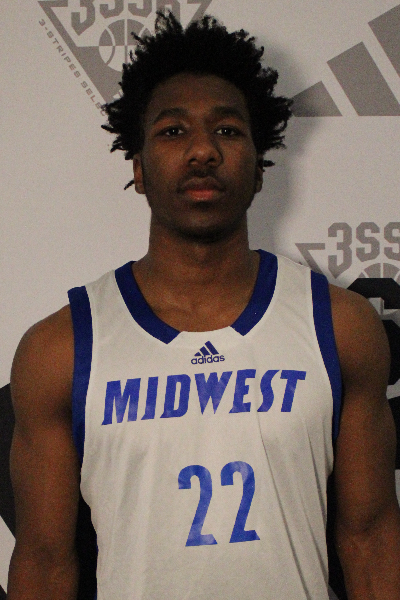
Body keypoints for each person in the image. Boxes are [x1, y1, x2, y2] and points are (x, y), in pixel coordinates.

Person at [7, 11, 400, 600]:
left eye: (228, 130)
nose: (202, 151)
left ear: (260, 168)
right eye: (173, 131)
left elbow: (370, 541)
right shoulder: (61, 348)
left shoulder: (340, 325)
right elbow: (44, 563)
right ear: (139, 169)